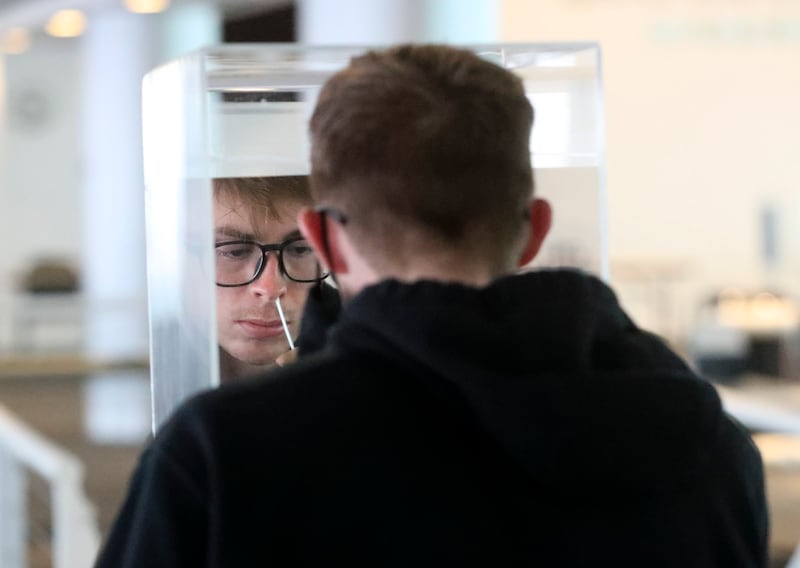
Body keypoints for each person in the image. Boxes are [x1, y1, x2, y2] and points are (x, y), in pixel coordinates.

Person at [96, 44, 768, 567]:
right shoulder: (705, 441)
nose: (265, 284)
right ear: (533, 230)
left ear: (325, 237)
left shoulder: (222, 452)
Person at [212, 176, 334, 381]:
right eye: (235, 252)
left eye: (301, 249)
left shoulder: (373, 350)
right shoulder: (151, 353)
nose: (271, 289)